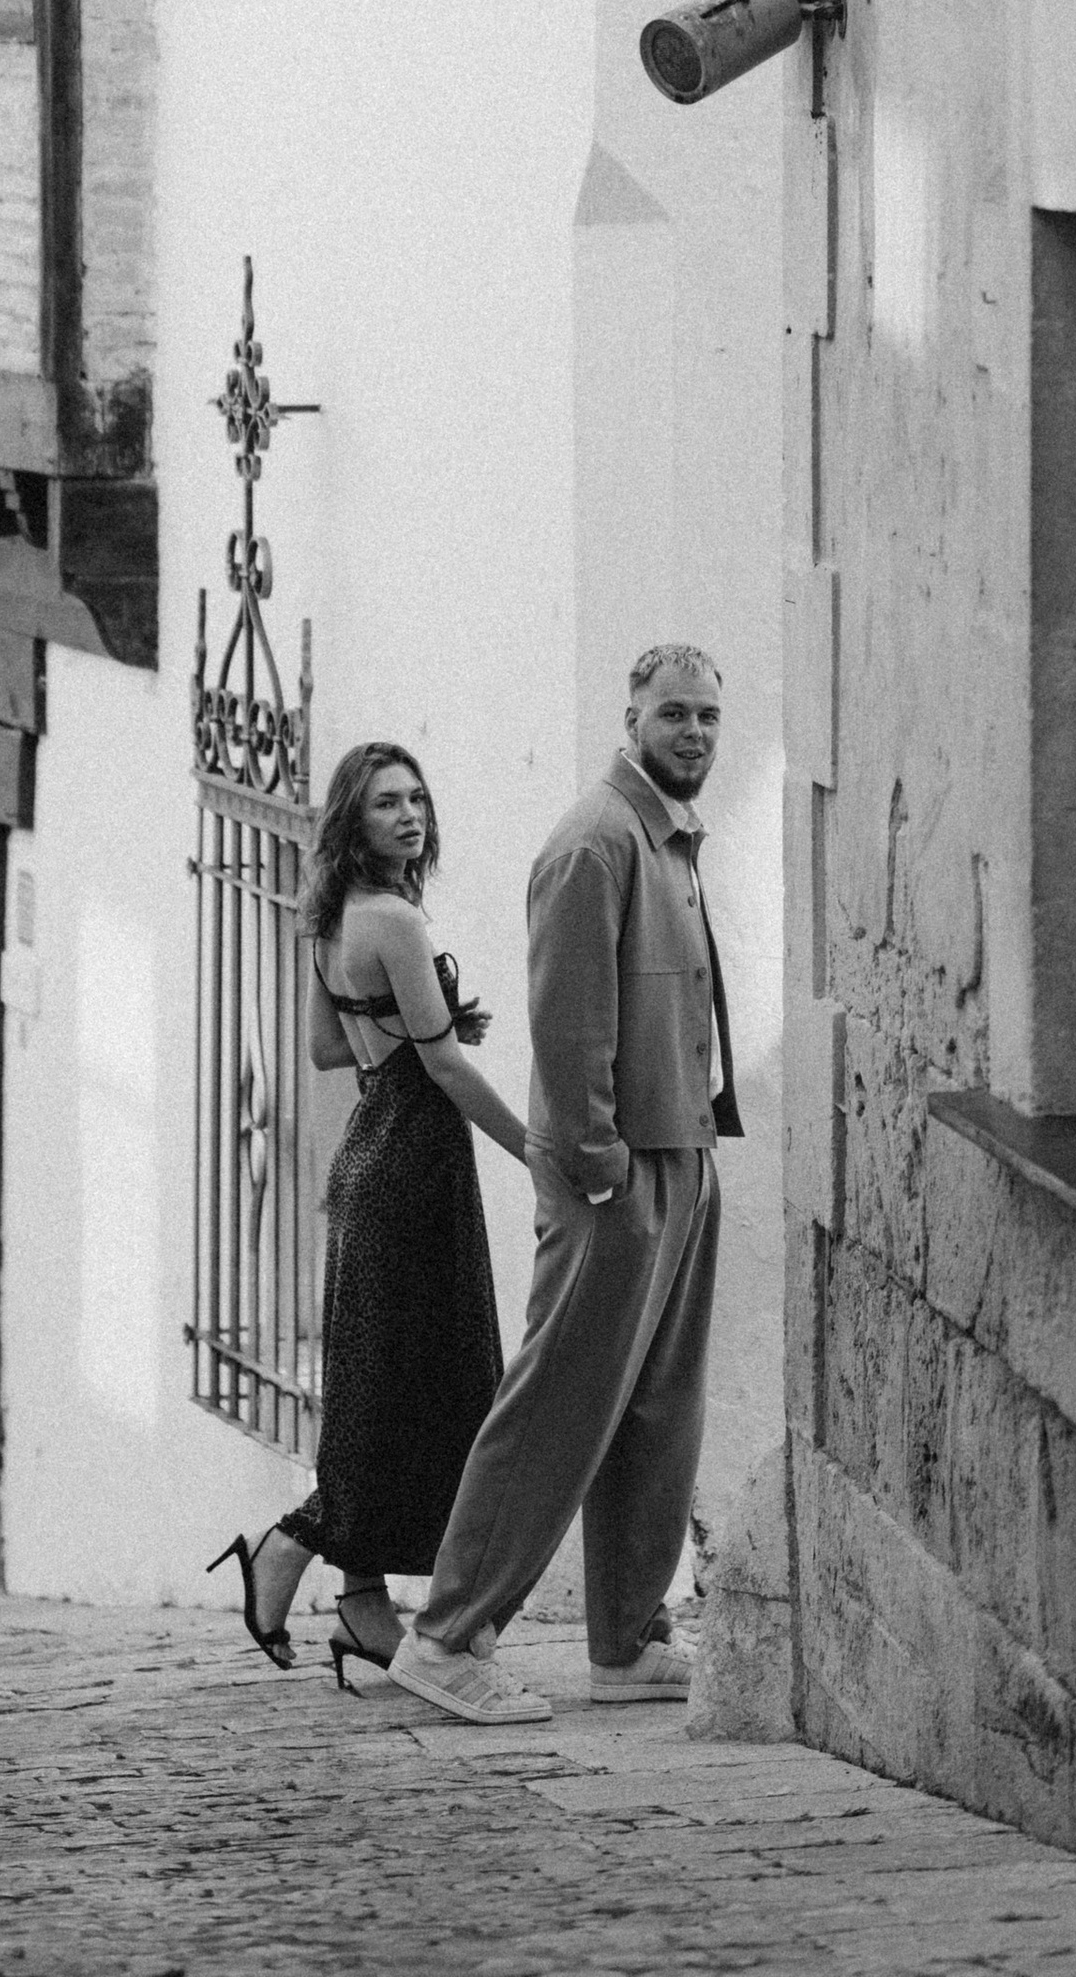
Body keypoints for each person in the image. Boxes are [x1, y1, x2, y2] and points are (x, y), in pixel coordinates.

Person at [386, 642, 743, 1730]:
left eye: (708, 718)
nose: (693, 733)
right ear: (629, 717)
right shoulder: (594, 843)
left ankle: (626, 1641)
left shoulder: (666, 835)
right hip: (614, 1173)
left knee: (656, 1411)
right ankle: (446, 1636)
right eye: (673, 714)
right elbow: (568, 1017)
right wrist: (596, 1168)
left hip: (682, 1153)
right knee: (556, 1406)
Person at [207, 738, 527, 1683]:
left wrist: (403, 1021)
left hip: (367, 1155)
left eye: (419, 798)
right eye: (388, 802)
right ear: (355, 817)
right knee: (434, 1387)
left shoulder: (330, 917)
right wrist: (538, 1153)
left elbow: (323, 1047)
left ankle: (360, 1602)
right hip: (417, 1162)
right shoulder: (394, 918)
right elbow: (444, 1069)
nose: (411, 815)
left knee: (375, 1391)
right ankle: (289, 1546)